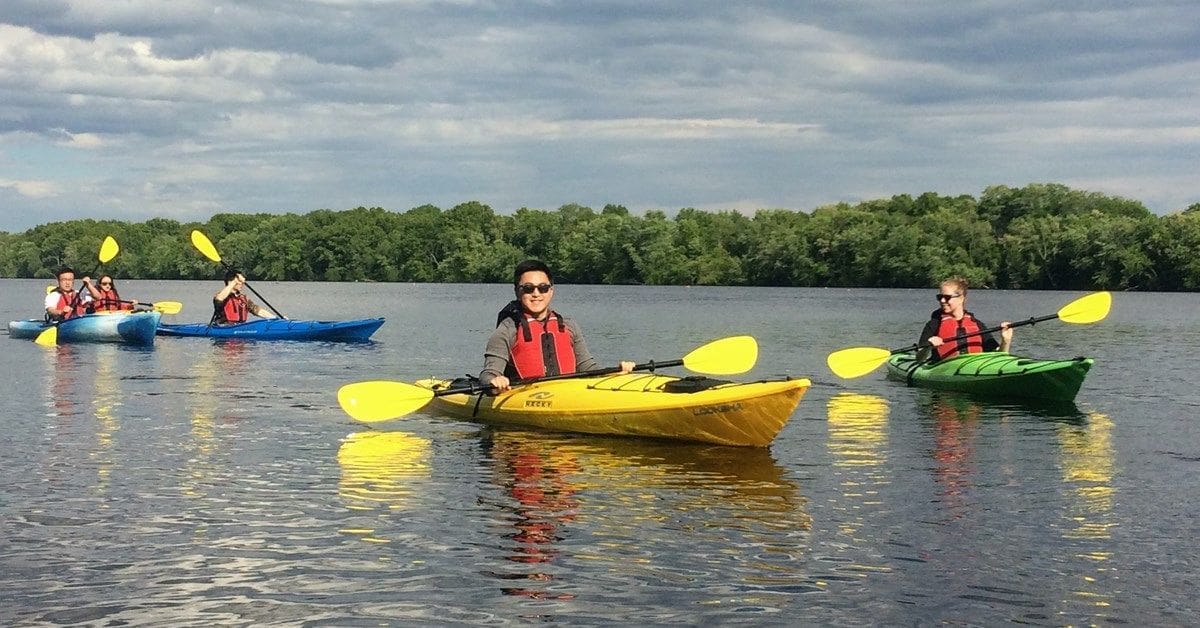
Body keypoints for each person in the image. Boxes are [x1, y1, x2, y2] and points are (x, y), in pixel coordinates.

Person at [481, 259, 635, 392]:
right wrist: (495, 381)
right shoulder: (507, 330)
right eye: (528, 288)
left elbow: (587, 368)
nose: (536, 294)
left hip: (567, 394)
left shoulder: (569, 326)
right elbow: (488, 374)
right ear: (517, 291)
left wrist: (615, 373)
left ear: (551, 291)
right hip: (522, 397)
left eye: (543, 288)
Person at [918, 277, 1012, 362]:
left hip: (974, 367)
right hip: (943, 369)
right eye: (939, 297)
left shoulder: (977, 324)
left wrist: (1005, 341)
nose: (942, 301)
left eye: (947, 297)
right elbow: (919, 358)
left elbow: (1000, 357)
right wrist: (928, 346)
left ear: (962, 298)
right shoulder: (934, 324)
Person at [212, 269, 278, 324]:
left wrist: (275, 319)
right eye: (240, 281)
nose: (242, 283)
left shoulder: (243, 298)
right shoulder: (221, 295)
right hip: (224, 328)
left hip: (240, 327)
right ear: (230, 282)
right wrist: (235, 281)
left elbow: (257, 310)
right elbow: (219, 299)